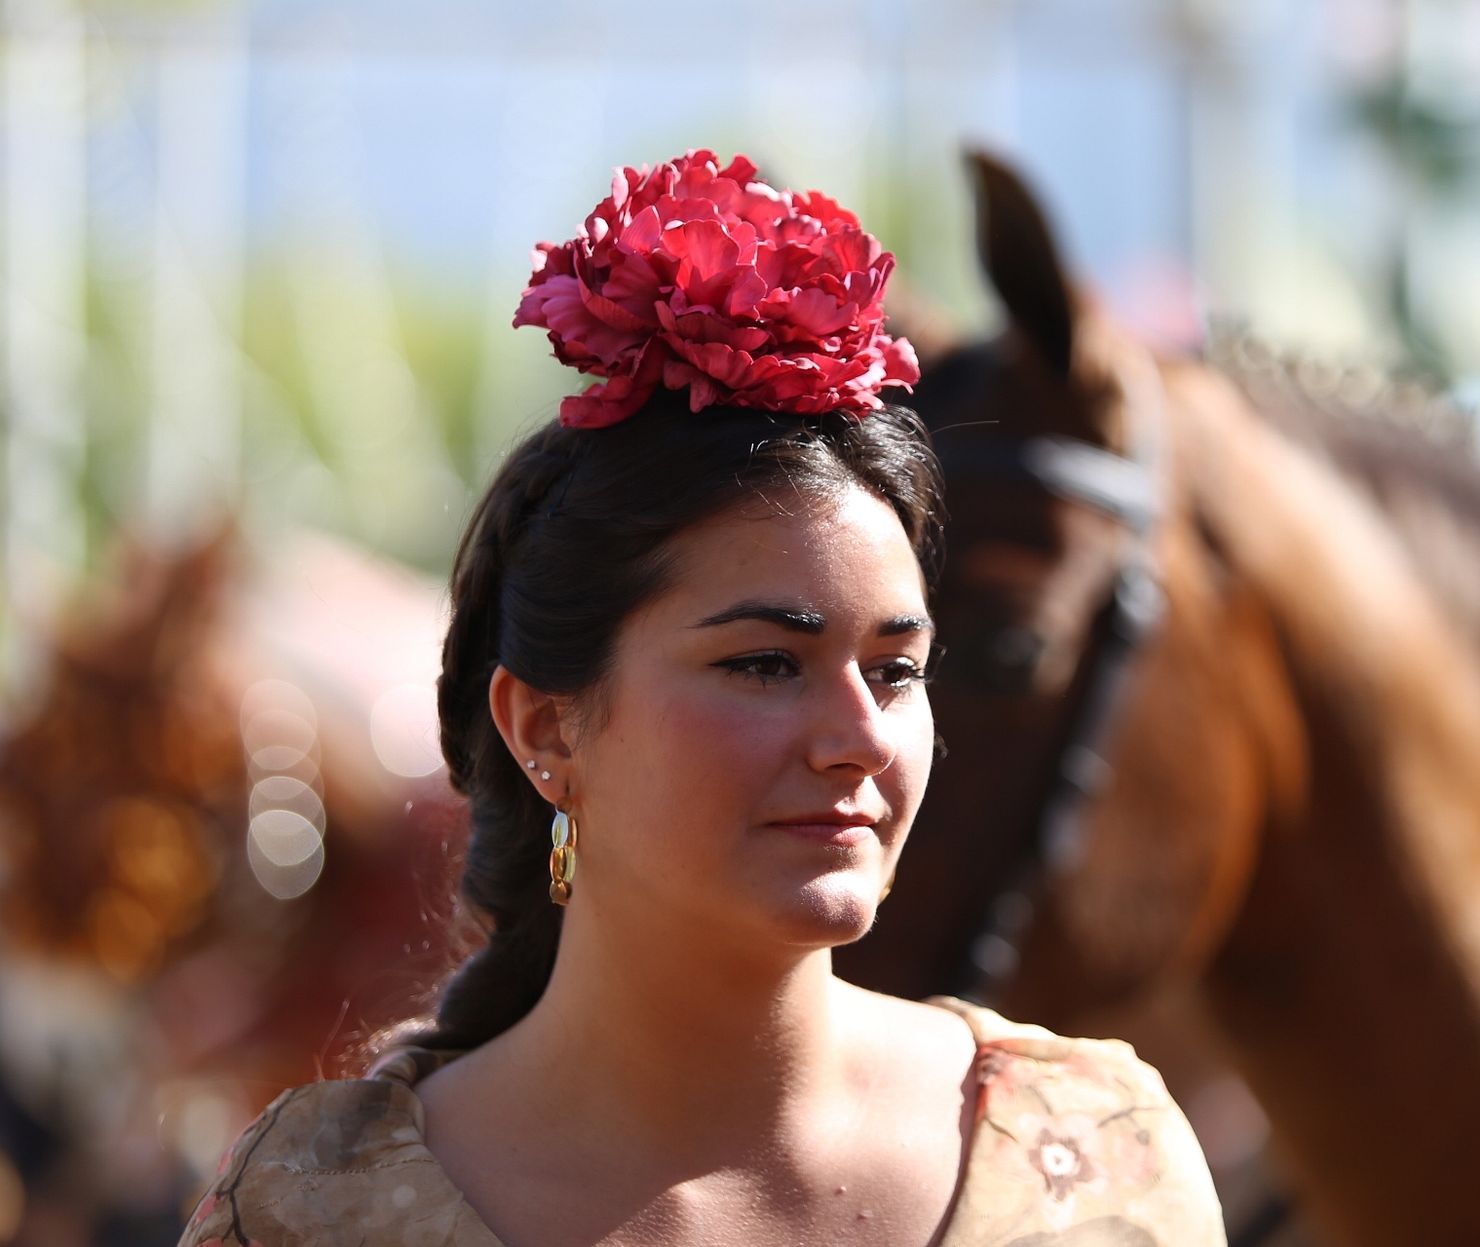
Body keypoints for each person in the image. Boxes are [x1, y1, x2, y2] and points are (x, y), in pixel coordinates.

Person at [178, 150, 1225, 1247]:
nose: (860, 737)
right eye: (765, 662)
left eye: (896, 668)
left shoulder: (1100, 1151)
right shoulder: (314, 1207)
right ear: (545, 727)